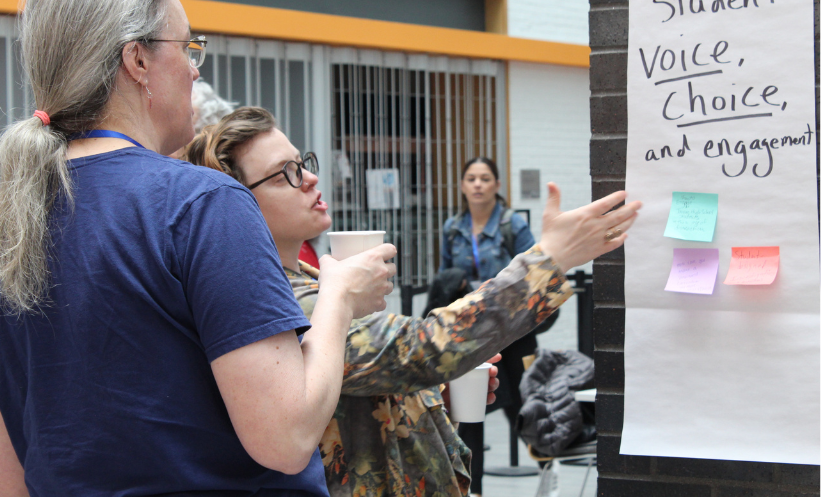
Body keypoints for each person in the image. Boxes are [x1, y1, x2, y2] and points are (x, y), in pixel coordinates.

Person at [0, 0, 394, 496]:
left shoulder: (5, 234)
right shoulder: (201, 204)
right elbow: (286, 438)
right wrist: (338, 299)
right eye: (187, 47)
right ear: (137, 60)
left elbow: (8, 485)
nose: (196, 69)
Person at [182, 107, 641, 497]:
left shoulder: (314, 280)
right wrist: (552, 258)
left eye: (302, 162)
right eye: (287, 173)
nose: (310, 178)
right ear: (238, 203)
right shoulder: (280, 303)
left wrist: (427, 396)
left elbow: (368, 388)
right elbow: (423, 345)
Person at [439, 157, 552, 494]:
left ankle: (549, 470)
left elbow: (534, 271)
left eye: (485, 178)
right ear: (462, 185)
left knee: (522, 405)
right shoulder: (452, 228)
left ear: (497, 186)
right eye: (471, 178)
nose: (477, 185)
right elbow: (447, 279)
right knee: (470, 409)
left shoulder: (511, 224)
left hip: (512, 329)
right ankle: (474, 488)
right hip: (471, 332)